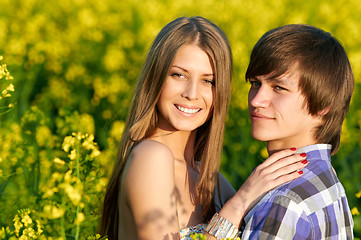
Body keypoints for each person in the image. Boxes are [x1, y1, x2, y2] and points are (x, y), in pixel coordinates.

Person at [99, 17, 308, 240]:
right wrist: (238, 204)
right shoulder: (151, 157)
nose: (191, 93)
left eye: (208, 81)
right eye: (178, 75)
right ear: (156, 78)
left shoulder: (209, 179)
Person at [242, 24, 354, 239]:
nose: (256, 100)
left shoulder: (285, 202)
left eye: (278, 88)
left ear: (323, 104)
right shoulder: (325, 180)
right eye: (255, 83)